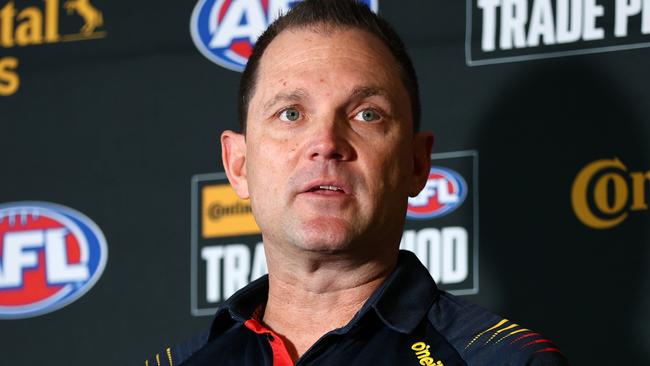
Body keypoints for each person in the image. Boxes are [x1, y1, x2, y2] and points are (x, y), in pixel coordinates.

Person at [146, 0, 568, 365]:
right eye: (291, 113)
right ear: (238, 164)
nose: (326, 143)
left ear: (417, 163)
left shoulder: (503, 361)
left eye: (366, 114)